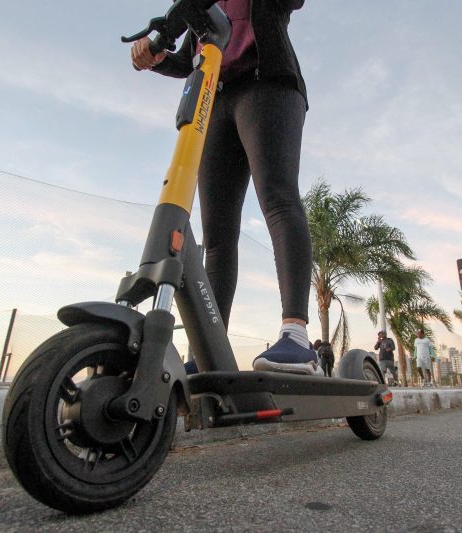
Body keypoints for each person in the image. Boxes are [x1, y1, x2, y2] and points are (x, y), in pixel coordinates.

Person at [131, 1, 320, 375]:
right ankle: (208, 349)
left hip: (268, 87)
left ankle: (296, 337)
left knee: (278, 200)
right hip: (214, 97)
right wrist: (155, 57)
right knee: (216, 234)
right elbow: (190, 57)